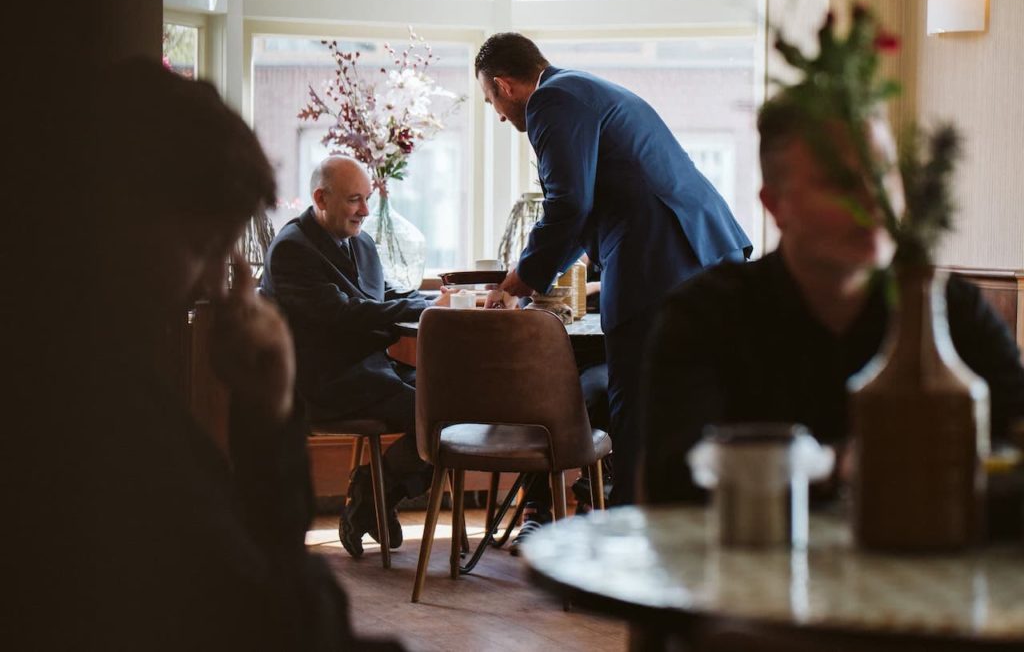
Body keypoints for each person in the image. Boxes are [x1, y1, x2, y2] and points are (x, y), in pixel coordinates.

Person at [13, 58, 401, 650]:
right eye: (202, 246)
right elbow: (278, 615)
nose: (221, 286)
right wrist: (271, 420)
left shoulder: (102, 390)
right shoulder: (85, 428)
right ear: (101, 220)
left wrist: (265, 413)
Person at [641, 86, 1024, 506]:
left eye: (882, 175)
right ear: (775, 205)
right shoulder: (706, 315)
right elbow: (676, 477)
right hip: (751, 565)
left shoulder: (948, 307)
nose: (873, 201)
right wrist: (838, 466)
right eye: (841, 182)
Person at [475, 33, 753, 507]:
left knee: (637, 404)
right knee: (689, 398)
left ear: (503, 86)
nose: (500, 116)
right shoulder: (582, 88)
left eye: (491, 102)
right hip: (701, 246)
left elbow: (569, 205)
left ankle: (631, 530)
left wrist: (519, 280)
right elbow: (606, 193)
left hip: (659, 259)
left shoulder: (551, 101)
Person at [261, 156, 451, 557]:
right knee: (437, 415)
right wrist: (423, 310)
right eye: (354, 200)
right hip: (322, 383)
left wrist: (439, 301)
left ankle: (374, 489)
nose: (366, 210)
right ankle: (376, 493)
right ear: (320, 198)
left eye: (366, 199)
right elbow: (344, 315)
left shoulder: (361, 241)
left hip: (371, 372)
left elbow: (384, 298)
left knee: (456, 401)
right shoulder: (291, 250)